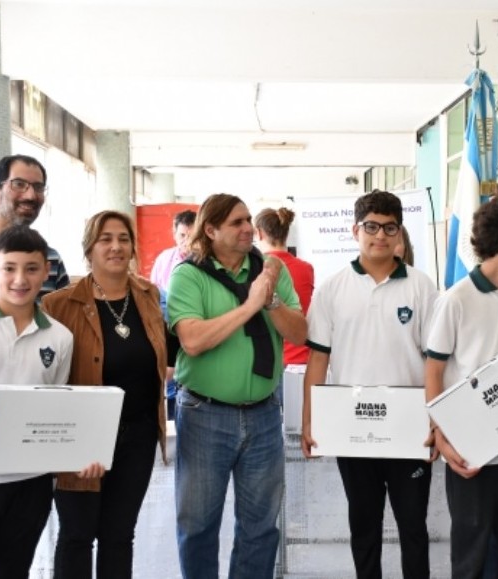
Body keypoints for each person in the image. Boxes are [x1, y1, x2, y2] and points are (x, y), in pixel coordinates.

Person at [167, 193, 307, 579]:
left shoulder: (271, 269)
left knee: (261, 528)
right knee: (197, 525)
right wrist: (250, 305)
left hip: (263, 416)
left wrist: (271, 299)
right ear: (210, 230)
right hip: (204, 416)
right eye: (236, 222)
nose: (248, 228)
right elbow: (192, 341)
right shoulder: (187, 275)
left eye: (249, 220)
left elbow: (300, 331)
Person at [301, 190, 437, 579]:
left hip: (409, 430)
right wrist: (311, 421)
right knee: (363, 527)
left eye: (389, 227)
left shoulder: (422, 287)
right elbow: (318, 361)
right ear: (355, 230)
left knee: (413, 527)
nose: (380, 235)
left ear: (399, 233)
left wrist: (435, 419)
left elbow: (435, 363)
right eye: (372, 227)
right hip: (352, 429)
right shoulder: (332, 288)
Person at [0, 225, 101, 579]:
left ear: (47, 273)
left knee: (12, 572)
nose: (20, 279)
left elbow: (54, 407)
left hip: (30, 484)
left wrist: (79, 455)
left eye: (32, 268)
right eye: (9, 268)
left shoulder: (60, 337)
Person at [41, 210, 168, 579]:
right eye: (105, 239)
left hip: (138, 435)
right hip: (82, 436)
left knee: (119, 536)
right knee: (78, 535)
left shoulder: (148, 294)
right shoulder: (59, 305)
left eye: (123, 239)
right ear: (89, 249)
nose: (116, 247)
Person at [425, 196, 498, 579]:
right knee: (471, 552)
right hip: (470, 448)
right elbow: (434, 371)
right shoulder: (455, 299)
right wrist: (440, 434)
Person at [0, 154, 69, 313]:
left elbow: (63, 317)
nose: (31, 195)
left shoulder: (51, 259)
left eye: (38, 187)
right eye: (18, 184)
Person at [254, 206, 315, 402]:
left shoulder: (257, 269)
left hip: (276, 361)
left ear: (259, 233)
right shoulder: (306, 268)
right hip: (303, 358)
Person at [150, 209, 197, 419]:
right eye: (182, 236)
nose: (186, 242)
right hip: (167, 332)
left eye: (191, 236)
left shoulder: (205, 262)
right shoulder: (163, 260)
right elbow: (153, 298)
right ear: (174, 234)